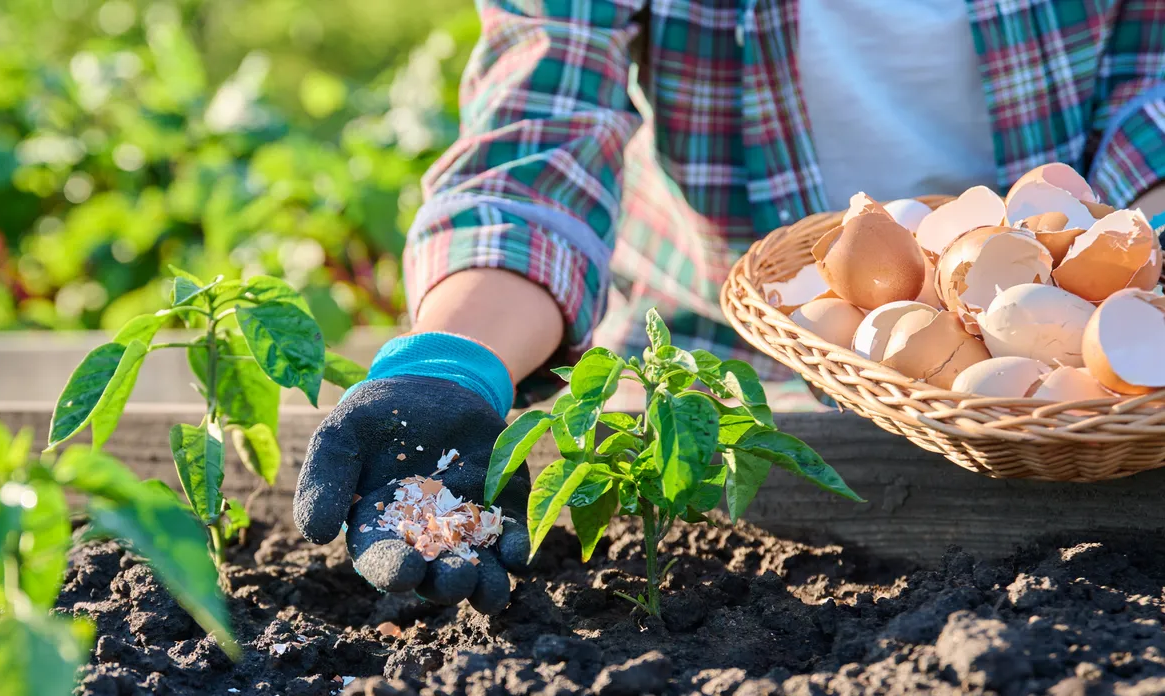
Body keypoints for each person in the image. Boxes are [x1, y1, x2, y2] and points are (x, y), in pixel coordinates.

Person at [294, 0, 1165, 613]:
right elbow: (544, 137)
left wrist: (1118, 309)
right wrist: (453, 361)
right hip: (723, 381)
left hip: (1079, 407)